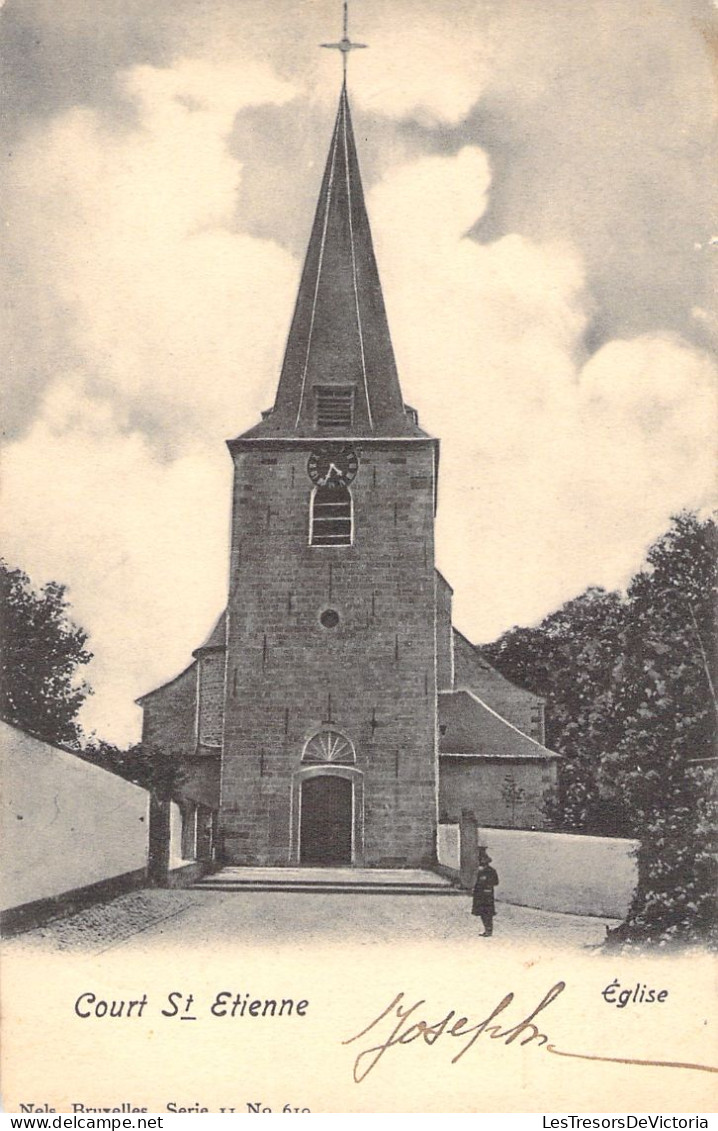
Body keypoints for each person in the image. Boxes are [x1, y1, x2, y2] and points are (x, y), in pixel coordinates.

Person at [471, 848, 499, 936]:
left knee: (488, 913)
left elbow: (496, 882)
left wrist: (487, 886)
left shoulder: (491, 871)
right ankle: (486, 929)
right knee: (481, 913)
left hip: (487, 895)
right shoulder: (480, 872)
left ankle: (489, 930)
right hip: (479, 895)